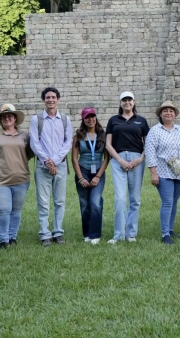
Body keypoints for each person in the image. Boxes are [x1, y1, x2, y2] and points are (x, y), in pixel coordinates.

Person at [0, 104, 33, 249]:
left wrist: (18, 162)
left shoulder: (25, 136)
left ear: (15, 119)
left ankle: (12, 237)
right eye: (4, 116)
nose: (7, 118)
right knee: (3, 210)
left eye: (10, 116)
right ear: (0, 119)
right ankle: (3, 240)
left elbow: (29, 154)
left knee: (16, 210)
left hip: (21, 179)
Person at [29, 87, 73, 246]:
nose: (51, 100)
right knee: (43, 201)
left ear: (58, 100)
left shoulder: (65, 120)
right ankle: (44, 233)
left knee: (60, 201)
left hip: (60, 166)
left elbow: (68, 143)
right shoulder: (37, 119)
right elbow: (34, 143)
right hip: (42, 167)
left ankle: (58, 232)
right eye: (47, 97)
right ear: (43, 100)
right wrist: (47, 161)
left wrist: (54, 161)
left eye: (53, 97)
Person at [105, 91, 150, 243]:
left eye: (129, 100)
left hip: (137, 160)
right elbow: (108, 144)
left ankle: (131, 233)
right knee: (120, 198)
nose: (127, 102)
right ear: (120, 103)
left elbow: (148, 143)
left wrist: (140, 159)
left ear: (134, 102)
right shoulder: (113, 120)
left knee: (135, 199)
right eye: (124, 100)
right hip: (118, 160)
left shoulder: (141, 121)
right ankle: (119, 234)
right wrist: (120, 160)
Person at [145, 101, 180, 245]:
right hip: (163, 172)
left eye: (171, 110)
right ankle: (165, 234)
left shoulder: (179, 129)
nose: (168, 113)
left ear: (175, 114)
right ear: (160, 114)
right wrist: (153, 173)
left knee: (174, 202)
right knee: (168, 202)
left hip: (178, 171)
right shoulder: (155, 131)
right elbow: (150, 152)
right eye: (165, 111)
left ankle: (170, 229)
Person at [72, 107, 110, 245]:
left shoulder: (103, 135)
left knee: (95, 202)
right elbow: (74, 159)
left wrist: (98, 176)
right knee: (85, 204)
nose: (90, 119)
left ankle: (95, 235)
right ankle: (86, 234)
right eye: (87, 117)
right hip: (83, 170)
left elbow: (107, 158)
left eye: (92, 116)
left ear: (96, 118)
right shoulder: (78, 136)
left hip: (98, 171)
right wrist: (81, 177)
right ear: (83, 119)